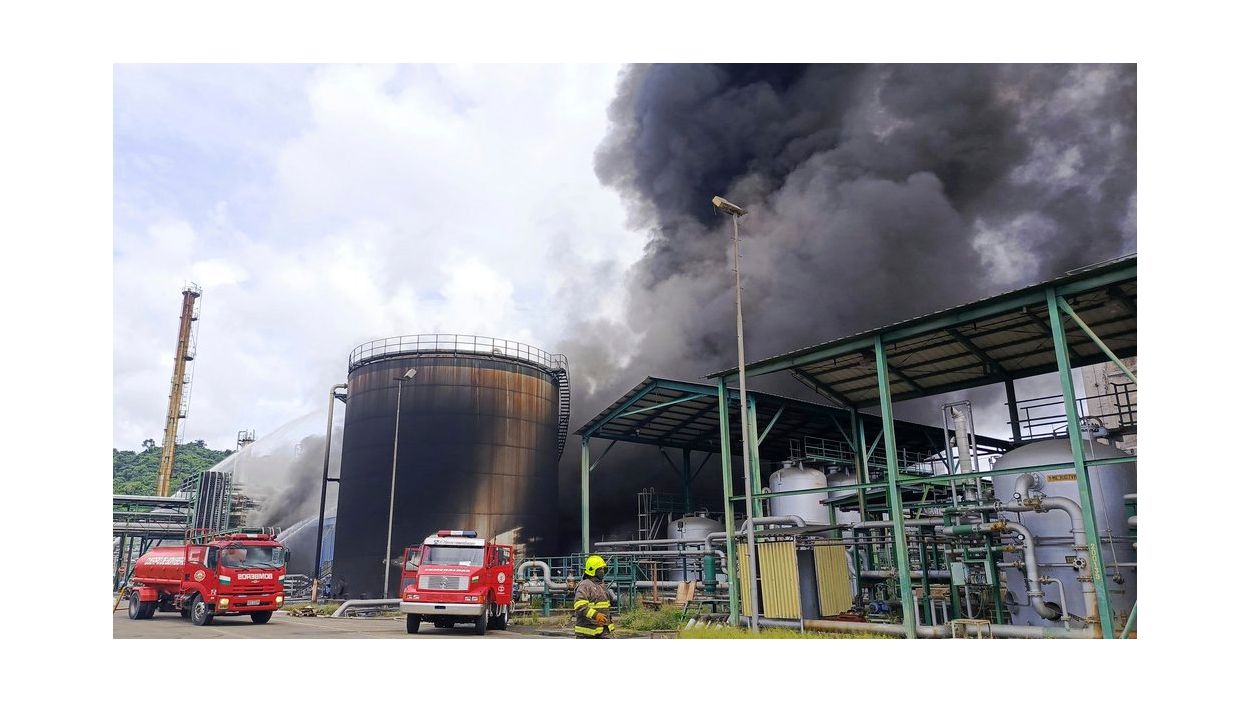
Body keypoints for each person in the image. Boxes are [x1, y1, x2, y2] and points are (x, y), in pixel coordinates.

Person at [573, 555, 616, 639]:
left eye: (603, 569)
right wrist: (596, 615)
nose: (603, 571)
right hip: (587, 633)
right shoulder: (585, 585)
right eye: (600, 569)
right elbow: (579, 605)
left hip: (603, 631)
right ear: (592, 570)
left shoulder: (601, 585)